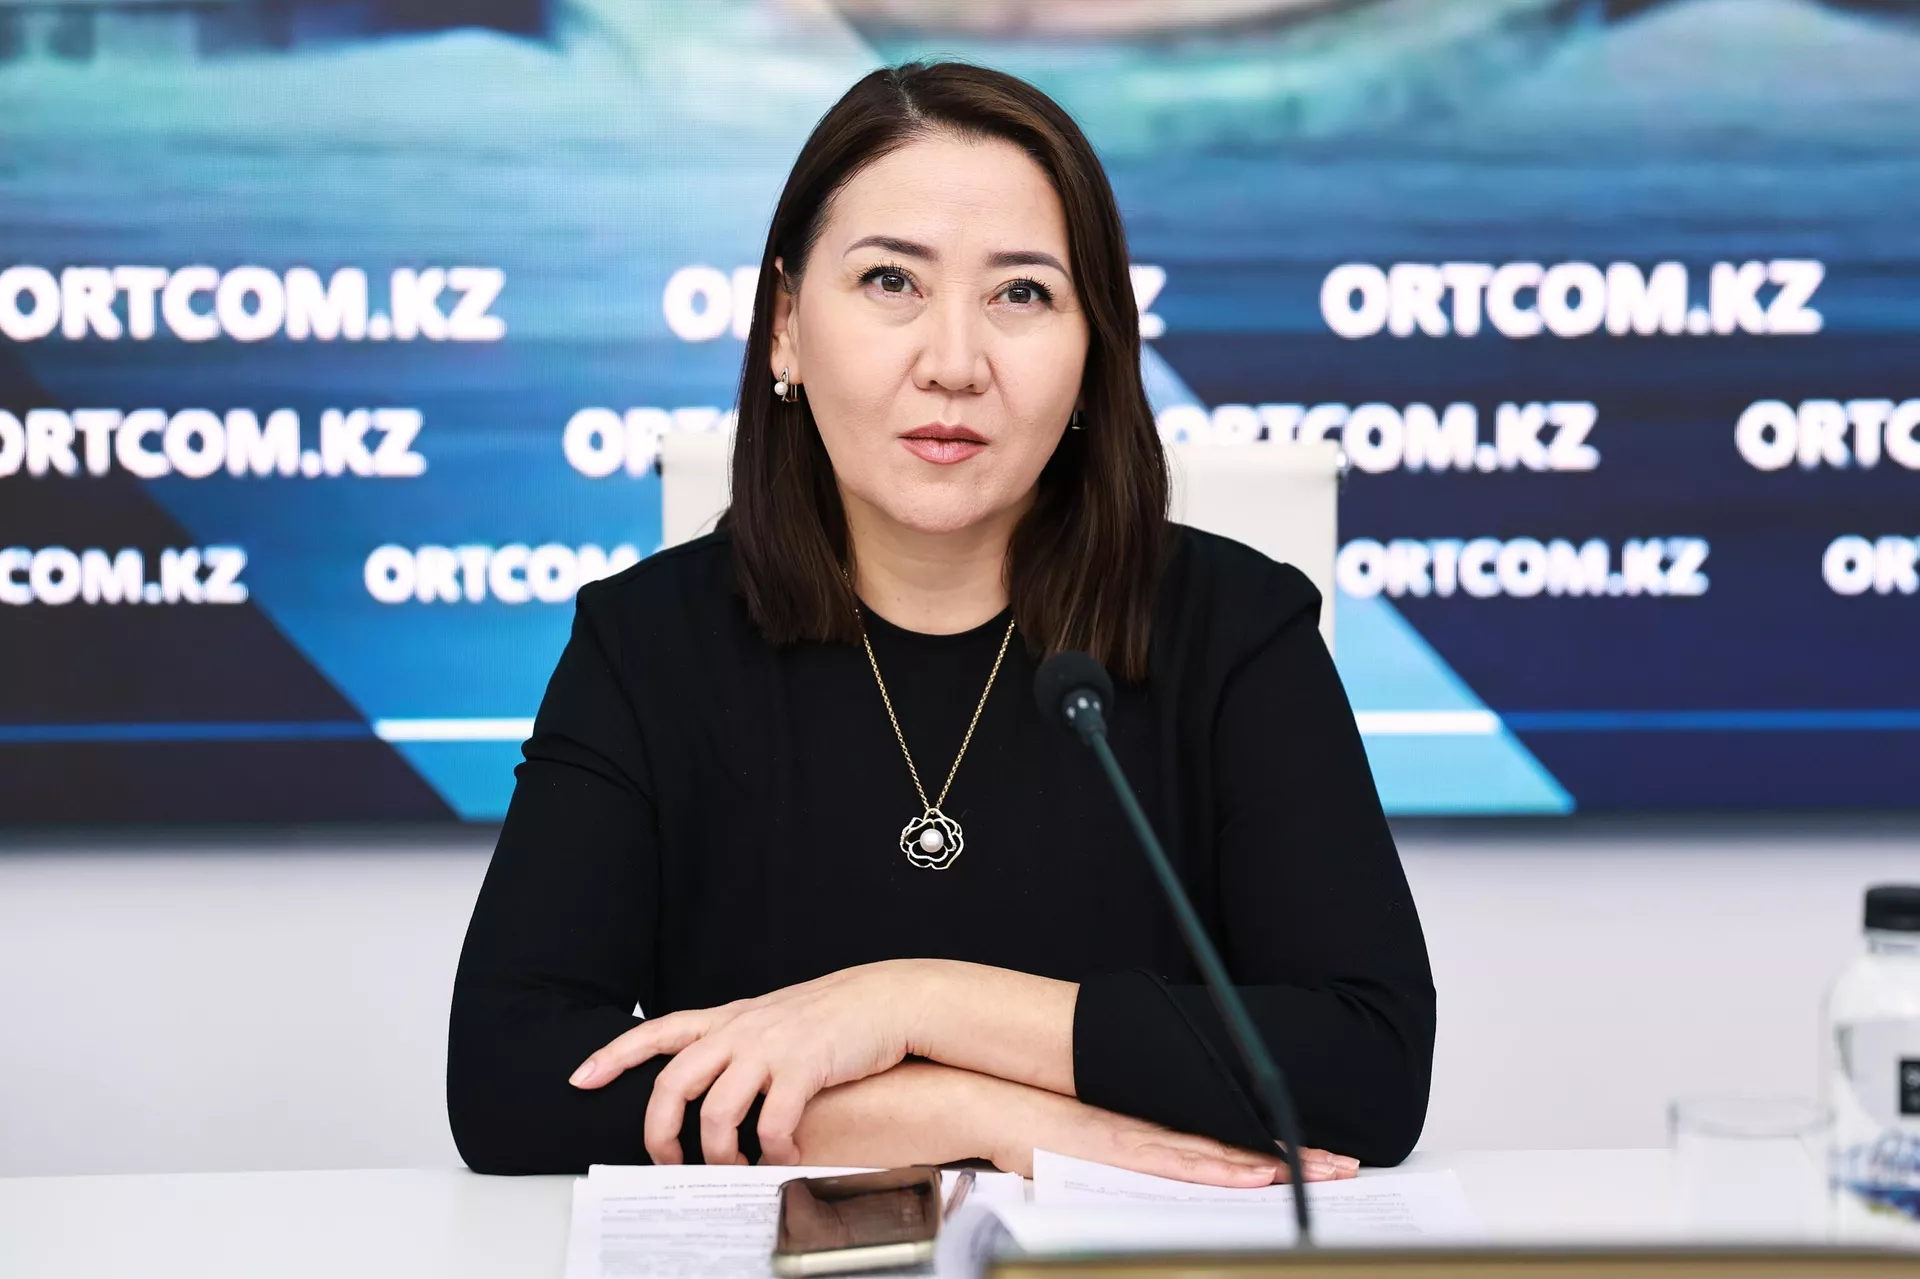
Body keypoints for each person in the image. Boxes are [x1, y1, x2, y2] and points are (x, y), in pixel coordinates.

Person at [448, 61, 1434, 1186]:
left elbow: (1370, 1067)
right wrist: (959, 1113)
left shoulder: (1238, 630)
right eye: (890, 281)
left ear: (1094, 350)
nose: (954, 365)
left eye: (1022, 294)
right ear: (784, 326)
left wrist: (915, 1003)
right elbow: (507, 1080)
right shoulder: (646, 643)